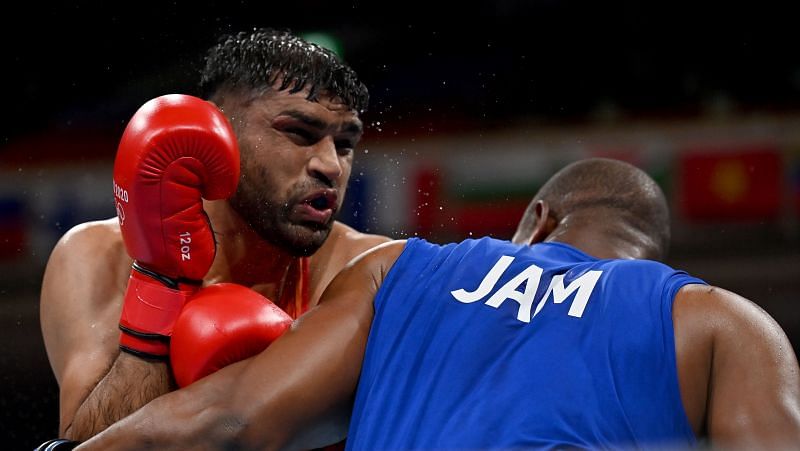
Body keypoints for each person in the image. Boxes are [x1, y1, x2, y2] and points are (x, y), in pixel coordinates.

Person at [77, 157, 800, 450]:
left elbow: (231, 415)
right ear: (655, 262)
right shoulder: (718, 322)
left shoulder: (398, 269)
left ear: (537, 222)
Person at [38, 27, 389, 444]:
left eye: (345, 143)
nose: (331, 165)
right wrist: (161, 281)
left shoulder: (366, 274)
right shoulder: (98, 257)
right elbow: (89, 444)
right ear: (216, 131)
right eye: (299, 133)